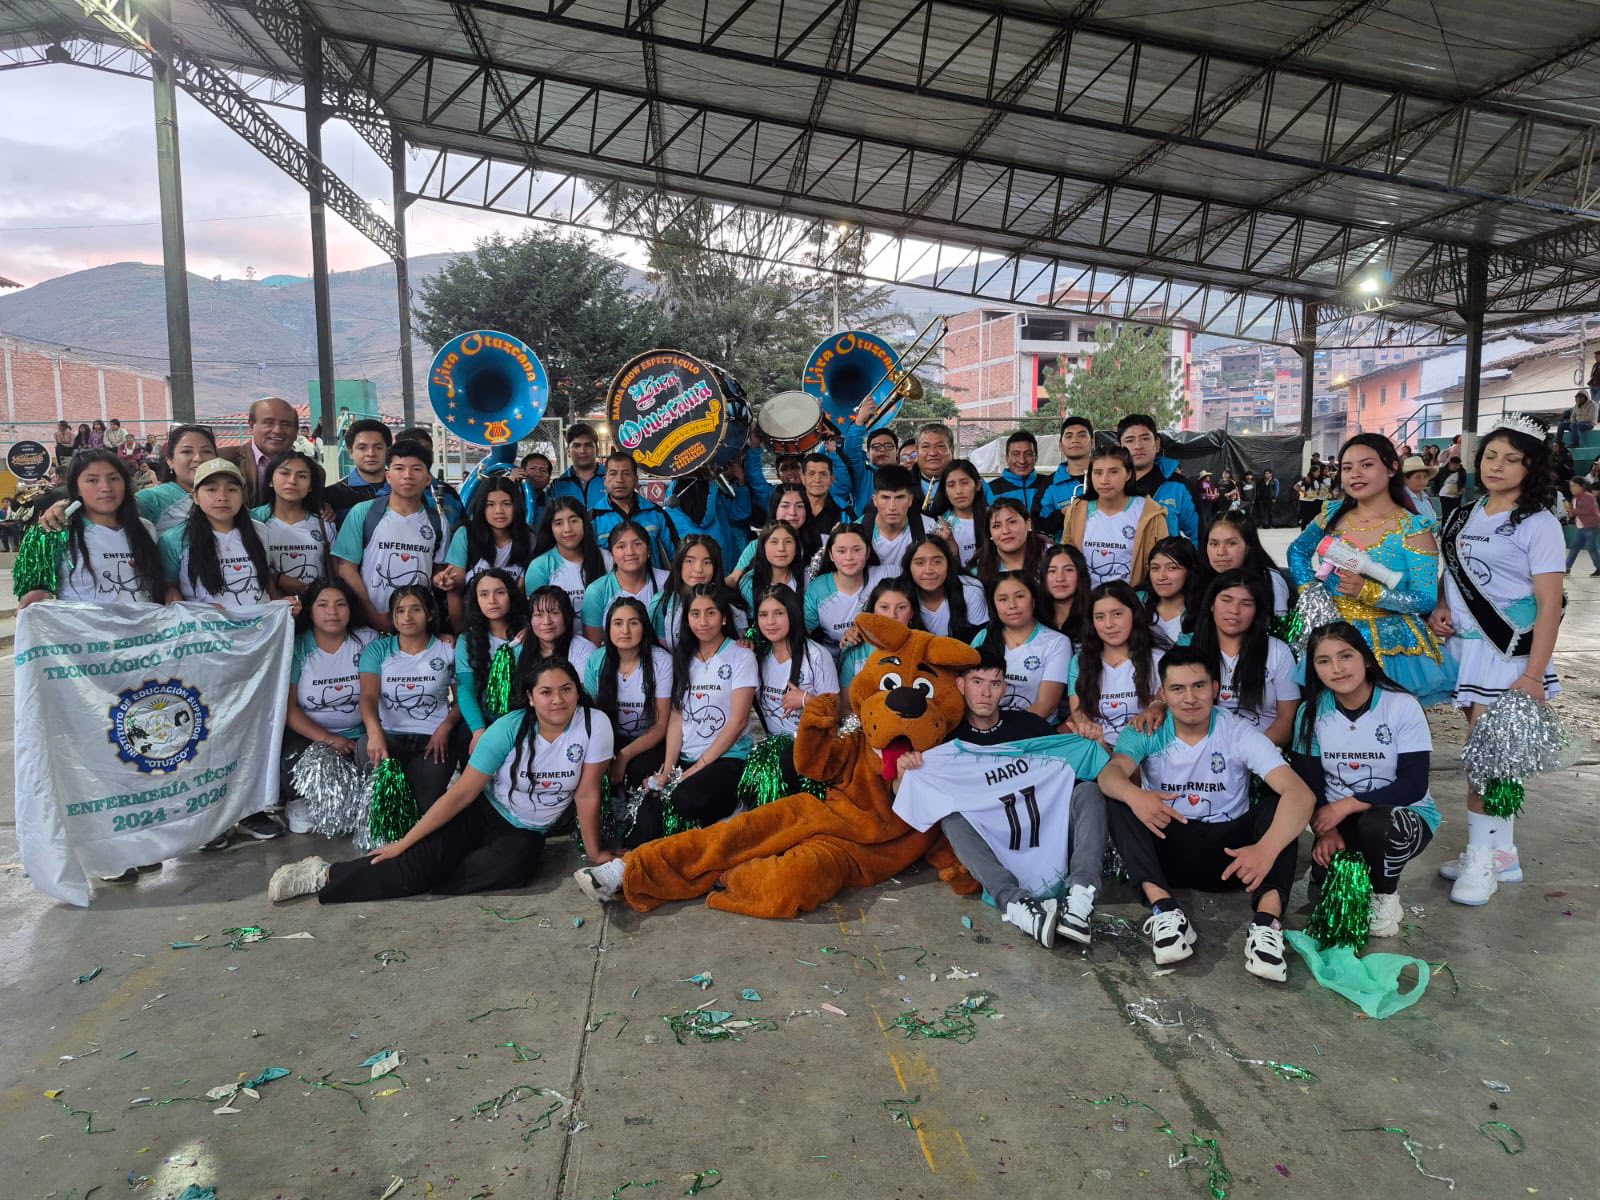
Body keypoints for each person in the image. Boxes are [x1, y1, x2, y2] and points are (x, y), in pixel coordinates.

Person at [270, 657, 612, 903]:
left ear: (577, 692)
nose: (558, 700)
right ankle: (324, 874)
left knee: (516, 867)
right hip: (483, 812)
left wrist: (595, 853)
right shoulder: (508, 728)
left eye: (566, 689)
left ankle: (423, 873)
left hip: (525, 832)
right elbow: (461, 795)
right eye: (546, 692)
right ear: (531, 697)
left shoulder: (594, 724)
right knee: (416, 864)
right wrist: (404, 843)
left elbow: (586, 793)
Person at [1099, 646, 1316, 980]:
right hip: (1168, 849)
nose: (1190, 698)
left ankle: (1266, 926)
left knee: (1279, 804)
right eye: (1177, 688)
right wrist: (1135, 795)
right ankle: (1165, 911)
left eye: (1198, 686)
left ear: (1215, 688)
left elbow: (1301, 794)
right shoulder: (1147, 730)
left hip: (1232, 859)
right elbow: (1110, 775)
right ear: (1163, 694)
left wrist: (1266, 849)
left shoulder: (1237, 731)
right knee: (1119, 799)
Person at [894, 648, 1112, 948]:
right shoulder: (947, 741)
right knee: (952, 818)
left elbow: (1092, 766)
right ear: (961, 685)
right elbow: (904, 796)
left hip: (1051, 840)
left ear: (1005, 688)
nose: (986, 693)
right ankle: (1015, 904)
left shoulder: (1030, 727)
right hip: (996, 850)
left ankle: (1081, 896)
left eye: (995, 683)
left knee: (1088, 791)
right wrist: (904, 774)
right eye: (977, 682)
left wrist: (1096, 744)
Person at [1430, 418, 1564, 905]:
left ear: (1531, 468)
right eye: (1491, 456)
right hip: (1464, 651)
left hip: (1507, 656)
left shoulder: (1539, 523)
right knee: (1493, 756)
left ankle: (1482, 861)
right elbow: (1451, 574)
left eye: (1512, 459)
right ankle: (1502, 853)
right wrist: (1440, 606)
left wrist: (1534, 675)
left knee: (1487, 760)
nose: (1497, 467)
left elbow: (1550, 603)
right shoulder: (1463, 515)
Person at [1290, 622, 1439, 937]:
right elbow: (1308, 781)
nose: (1337, 668)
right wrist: (1326, 830)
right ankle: (1357, 868)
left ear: (1367, 659)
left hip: (1400, 816)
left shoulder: (1401, 705)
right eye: (1324, 661)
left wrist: (1347, 805)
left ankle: (1385, 896)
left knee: (1378, 825)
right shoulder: (1311, 713)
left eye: (1346, 656)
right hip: (1336, 819)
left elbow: (1414, 784)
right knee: (1327, 876)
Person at [1288, 433, 1451, 705]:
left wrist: (1369, 592)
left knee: (1386, 718)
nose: (1355, 474)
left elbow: (1425, 599)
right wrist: (1312, 591)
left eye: (1366, 465)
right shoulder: (1331, 514)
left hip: (1389, 646)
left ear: (1392, 468)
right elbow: (1297, 551)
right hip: (1331, 635)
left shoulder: (1413, 529)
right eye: (1347, 468)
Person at [641, 584, 756, 832]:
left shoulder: (741, 656)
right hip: (688, 757)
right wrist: (668, 771)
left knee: (686, 799)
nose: (703, 621)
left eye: (710, 613)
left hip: (728, 757)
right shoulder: (683, 657)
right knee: (650, 806)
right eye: (695, 614)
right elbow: (676, 718)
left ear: (724, 617)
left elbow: (738, 722)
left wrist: (695, 769)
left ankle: (735, 808)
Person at [357, 585, 460, 813]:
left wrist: (446, 727)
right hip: (390, 736)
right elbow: (368, 696)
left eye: (416, 609)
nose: (407, 617)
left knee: (421, 808)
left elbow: (462, 698)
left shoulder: (447, 649)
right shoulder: (378, 650)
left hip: (433, 740)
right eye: (400, 610)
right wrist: (374, 733)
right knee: (386, 800)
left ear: (430, 614)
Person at [280, 579, 373, 833]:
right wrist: (329, 739)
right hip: (310, 738)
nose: (332, 612)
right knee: (292, 760)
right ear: (310, 611)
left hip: (358, 736)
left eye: (340, 604)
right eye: (322, 605)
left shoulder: (367, 640)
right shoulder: (297, 646)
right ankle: (299, 801)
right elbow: (289, 709)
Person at [16, 450, 162, 609]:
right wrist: (38, 595)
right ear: (76, 487)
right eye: (93, 480)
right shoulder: (52, 532)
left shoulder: (146, 528)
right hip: (82, 624)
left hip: (143, 623)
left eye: (114, 478)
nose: (106, 487)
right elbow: (35, 589)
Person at [332, 441, 446, 633]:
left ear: (428, 478)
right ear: (388, 476)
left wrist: (442, 579)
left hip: (417, 627)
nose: (407, 475)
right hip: (368, 625)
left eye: (416, 469)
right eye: (399, 468)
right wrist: (370, 612)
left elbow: (438, 571)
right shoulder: (363, 512)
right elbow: (345, 566)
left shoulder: (439, 522)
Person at [1187, 571, 1299, 745]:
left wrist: (1253, 754)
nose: (1234, 610)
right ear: (1211, 604)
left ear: (1257, 611)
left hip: (1262, 751)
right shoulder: (1189, 647)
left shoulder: (1278, 651)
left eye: (1246, 603)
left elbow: (1286, 720)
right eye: (1226, 600)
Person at [583, 596, 674, 811]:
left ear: (644, 627)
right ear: (608, 629)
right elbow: (591, 717)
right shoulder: (597, 660)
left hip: (649, 741)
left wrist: (624, 756)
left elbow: (661, 725)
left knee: (638, 770)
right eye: (618, 623)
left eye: (633, 623)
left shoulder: (661, 661)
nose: (625, 630)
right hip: (609, 738)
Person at [750, 584, 841, 796]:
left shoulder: (817, 655)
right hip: (772, 749)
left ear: (792, 613)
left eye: (779, 613)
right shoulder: (757, 656)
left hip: (810, 746)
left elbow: (836, 711)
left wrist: (806, 699)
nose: (770, 622)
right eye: (763, 615)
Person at [158, 459, 277, 609]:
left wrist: (281, 603)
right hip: (206, 624)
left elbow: (265, 579)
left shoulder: (259, 530)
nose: (222, 497)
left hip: (259, 621)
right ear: (195, 496)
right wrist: (193, 608)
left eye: (232, 490)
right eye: (211, 490)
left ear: (242, 495)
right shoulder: (174, 539)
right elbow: (169, 587)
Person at [1065, 582, 1165, 750]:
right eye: (1100, 617)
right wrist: (1087, 728)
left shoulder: (1157, 659)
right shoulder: (1080, 661)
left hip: (1146, 748)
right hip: (1098, 748)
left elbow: (1163, 702)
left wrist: (1157, 707)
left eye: (1117, 614)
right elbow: (1079, 711)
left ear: (1134, 614)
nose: (1109, 624)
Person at [1061, 446, 1171, 588]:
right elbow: (1067, 555)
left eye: (1113, 472)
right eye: (1098, 473)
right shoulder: (1077, 510)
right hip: (1086, 597)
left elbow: (1161, 561)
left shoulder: (1150, 513)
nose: (1104, 480)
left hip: (1131, 597)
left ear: (1128, 474)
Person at [436, 476, 534, 631]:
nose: (499, 511)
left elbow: (524, 595)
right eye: (490, 504)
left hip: (513, 628)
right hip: (471, 625)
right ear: (481, 507)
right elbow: (454, 591)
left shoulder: (529, 539)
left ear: (516, 506)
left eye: (506, 504)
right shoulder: (466, 534)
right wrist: (460, 634)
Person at [971, 572, 1071, 719]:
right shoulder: (983, 637)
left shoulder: (1057, 642)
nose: (1012, 605)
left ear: (1034, 600)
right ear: (994, 605)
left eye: (1020, 596)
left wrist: (1005, 729)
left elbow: (1046, 705)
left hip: (1034, 728)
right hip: (985, 725)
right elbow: (968, 690)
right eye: (1003, 599)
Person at [454, 568, 529, 754]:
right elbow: (466, 688)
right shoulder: (467, 640)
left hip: (523, 716)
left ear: (511, 595)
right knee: (463, 736)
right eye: (484, 594)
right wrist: (478, 729)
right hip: (484, 718)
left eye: (500, 593)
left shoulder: (529, 634)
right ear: (476, 600)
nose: (492, 600)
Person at [253, 450, 335, 597]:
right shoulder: (253, 521)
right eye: (285, 473)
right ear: (270, 480)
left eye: (302, 476)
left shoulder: (325, 523)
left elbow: (336, 568)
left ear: (311, 486)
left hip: (315, 605)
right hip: (268, 605)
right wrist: (277, 579)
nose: (292, 481)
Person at [804, 523, 886, 657]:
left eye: (856, 550)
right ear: (831, 555)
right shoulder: (818, 588)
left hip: (878, 657)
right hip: (833, 660)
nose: (849, 557)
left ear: (867, 552)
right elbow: (804, 633)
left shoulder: (885, 575)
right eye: (841, 551)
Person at [581, 520, 668, 642]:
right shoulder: (596, 591)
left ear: (648, 550)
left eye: (637, 544)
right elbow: (593, 645)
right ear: (612, 554)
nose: (630, 552)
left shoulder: (668, 582)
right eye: (621, 546)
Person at [524, 495, 611, 616]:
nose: (568, 529)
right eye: (558, 523)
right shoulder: (539, 566)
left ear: (584, 523)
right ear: (551, 529)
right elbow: (537, 617)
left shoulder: (606, 558)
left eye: (574, 521)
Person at [589, 452, 676, 569]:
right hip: (609, 581)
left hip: (653, 580)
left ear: (635, 479)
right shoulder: (592, 518)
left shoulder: (656, 513)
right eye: (613, 474)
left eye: (626, 474)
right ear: (605, 480)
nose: (619, 480)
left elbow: (676, 557)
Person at [1118, 414, 1198, 541]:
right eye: (1129, 440)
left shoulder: (1180, 487)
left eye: (1145, 438)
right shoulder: (1108, 487)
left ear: (1157, 444)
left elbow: (1199, 537)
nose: (1138, 446)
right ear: (1119, 448)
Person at [1200, 512, 1291, 615]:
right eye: (1214, 544)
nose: (1221, 552)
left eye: (1231, 543)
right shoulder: (1201, 579)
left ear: (1248, 546)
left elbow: (1278, 623)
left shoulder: (1270, 582)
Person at [649, 535, 727, 651]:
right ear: (679, 564)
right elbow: (657, 650)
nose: (698, 569)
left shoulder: (727, 602)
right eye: (689, 561)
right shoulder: (661, 604)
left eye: (707, 562)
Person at [218, 397, 300, 505]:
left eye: (286, 424)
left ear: (296, 431)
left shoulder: (311, 471)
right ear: (252, 426)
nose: (277, 430)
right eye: (269, 423)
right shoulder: (222, 460)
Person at [907, 536, 987, 638]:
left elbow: (979, 641)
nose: (928, 570)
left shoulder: (970, 590)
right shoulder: (900, 595)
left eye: (937, 562)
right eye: (920, 563)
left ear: (949, 564)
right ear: (909, 567)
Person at [859, 464, 926, 574]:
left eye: (899, 497)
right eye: (885, 497)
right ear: (875, 500)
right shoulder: (857, 531)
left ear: (910, 500)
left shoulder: (929, 528)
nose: (892, 506)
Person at [396, 427, 466, 532]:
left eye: (427, 450)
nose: (423, 455)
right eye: (416, 451)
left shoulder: (448, 492)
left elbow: (463, 530)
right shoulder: (388, 494)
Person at [325, 419, 393, 524]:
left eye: (378, 448)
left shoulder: (404, 489)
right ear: (351, 453)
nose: (371, 453)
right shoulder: (332, 495)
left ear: (388, 451)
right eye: (362, 448)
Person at [1037, 416, 1094, 536]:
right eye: (1069, 436)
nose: (1075, 440)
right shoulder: (1049, 485)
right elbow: (1039, 526)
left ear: (1092, 443)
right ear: (1060, 445)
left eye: (1082, 435)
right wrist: (1062, 514)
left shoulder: (1108, 478)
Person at [736, 519, 806, 613]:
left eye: (788, 541)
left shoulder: (806, 579)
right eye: (774, 542)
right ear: (763, 547)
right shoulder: (750, 584)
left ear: (797, 548)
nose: (781, 548)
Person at [1142, 536, 1201, 647]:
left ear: (1190, 571)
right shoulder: (1137, 604)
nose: (1161, 577)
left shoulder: (1203, 614)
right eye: (1155, 568)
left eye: (1172, 568)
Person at [929, 459, 987, 568]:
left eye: (964, 483)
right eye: (951, 485)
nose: (959, 491)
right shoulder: (941, 527)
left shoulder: (993, 518)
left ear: (978, 485)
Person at [974, 497, 1043, 588]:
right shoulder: (977, 571)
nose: (1005, 531)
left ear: (1028, 524)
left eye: (1012, 522)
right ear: (990, 533)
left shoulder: (1049, 558)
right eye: (996, 526)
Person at [984, 430, 1047, 516]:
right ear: (1007, 458)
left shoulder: (1049, 485)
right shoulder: (991, 490)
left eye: (1028, 454)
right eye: (1016, 454)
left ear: (1035, 458)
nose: (1022, 461)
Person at [1040, 543, 1092, 641]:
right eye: (1052, 571)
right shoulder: (1034, 617)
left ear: (1081, 575)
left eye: (1068, 570)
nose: (1060, 578)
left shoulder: (1094, 614)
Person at [549, 422, 606, 510]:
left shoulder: (611, 478)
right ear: (568, 451)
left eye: (588, 445)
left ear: (597, 450)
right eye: (576, 446)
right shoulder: (558, 485)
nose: (582, 451)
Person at [912, 423, 954, 510]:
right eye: (925, 446)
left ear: (952, 450)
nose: (932, 453)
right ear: (917, 451)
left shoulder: (969, 482)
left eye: (940, 446)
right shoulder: (902, 483)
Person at [1566, 475, 1600, 575]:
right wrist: (1571, 513)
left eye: (1574, 486)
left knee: (1591, 547)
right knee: (1575, 547)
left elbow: (1589, 510)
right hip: (1582, 526)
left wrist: (1573, 511)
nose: (1572, 488)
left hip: (1591, 526)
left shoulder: (1588, 497)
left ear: (1582, 486)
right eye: (1570, 486)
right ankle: (1566, 567)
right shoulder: (1575, 498)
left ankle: (1599, 567)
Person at [1400, 455, 1439, 524]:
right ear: (1405, 479)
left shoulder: (1426, 498)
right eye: (1417, 477)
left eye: (1425, 477)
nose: (1422, 481)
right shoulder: (1401, 500)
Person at [1434, 453, 1467, 524]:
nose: (1455, 467)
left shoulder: (1462, 471)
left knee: (1455, 513)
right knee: (1446, 513)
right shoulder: (1442, 471)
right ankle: (1444, 527)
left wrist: (1462, 489)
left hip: (1456, 496)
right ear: (1450, 464)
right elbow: (1436, 481)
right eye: (1453, 465)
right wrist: (1436, 491)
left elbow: (1463, 481)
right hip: (1444, 495)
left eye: (1457, 465)